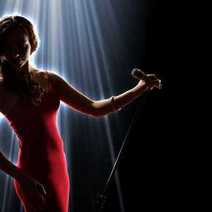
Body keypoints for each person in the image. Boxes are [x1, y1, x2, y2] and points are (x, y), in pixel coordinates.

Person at [0, 15, 161, 212]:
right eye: (8, 48)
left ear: (31, 43)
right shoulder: (3, 90)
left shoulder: (50, 80)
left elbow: (94, 108)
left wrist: (139, 89)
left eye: (21, 45)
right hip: (31, 171)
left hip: (58, 167)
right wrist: (21, 177)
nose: (15, 53)